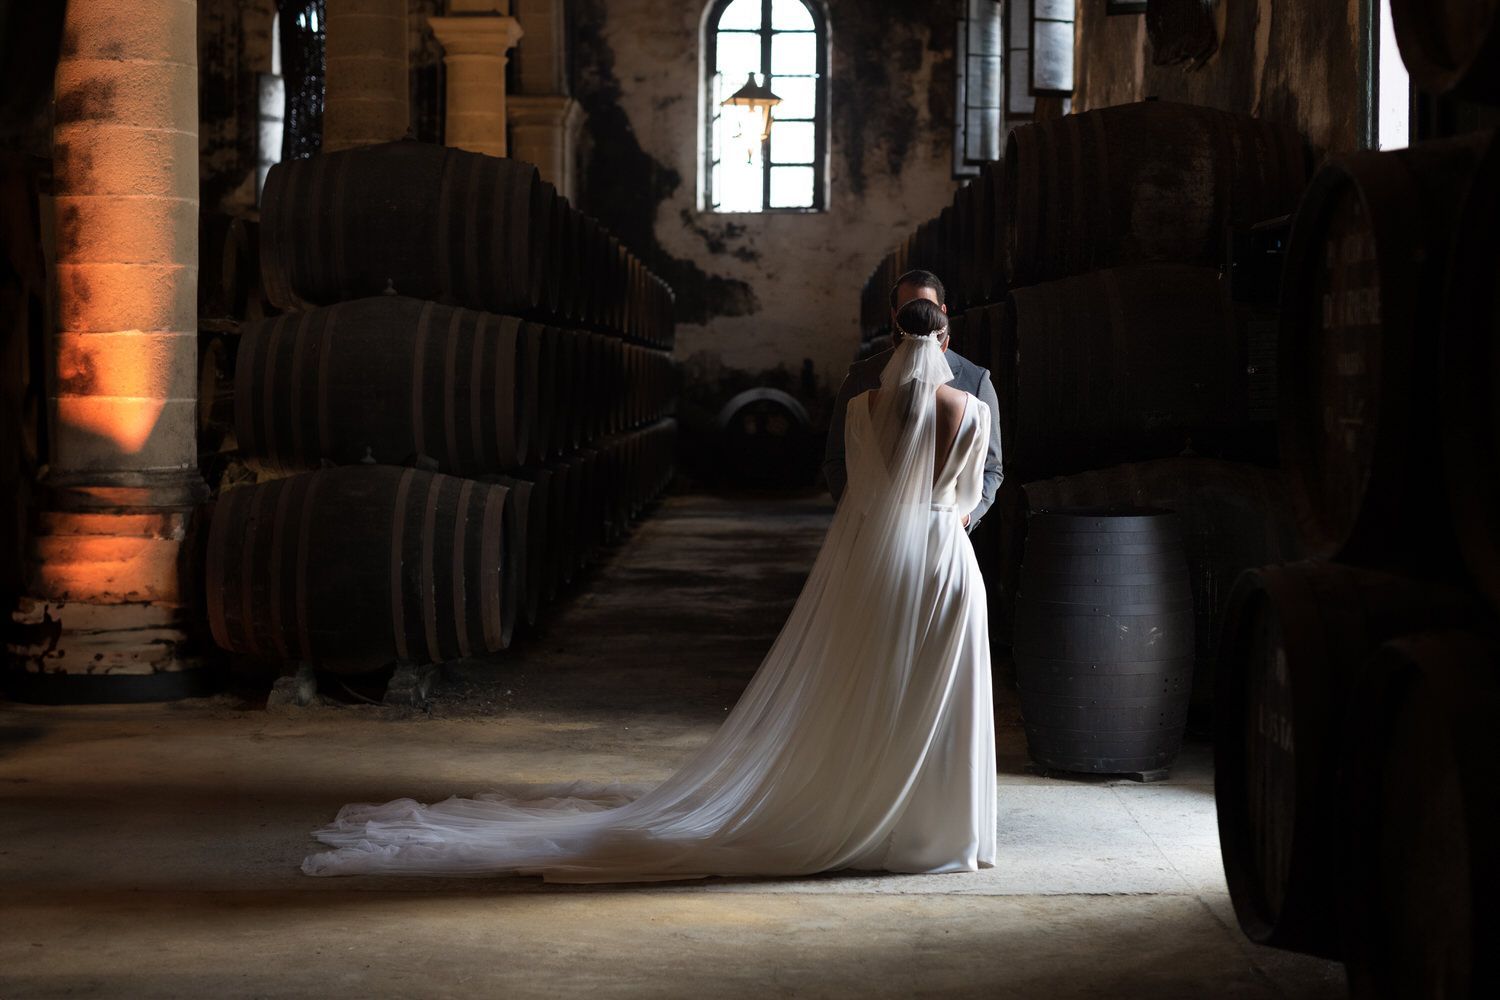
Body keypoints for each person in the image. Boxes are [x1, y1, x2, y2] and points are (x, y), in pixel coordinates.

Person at [301, 298, 996, 883]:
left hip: (877, 555)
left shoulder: (860, 408)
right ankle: (938, 834)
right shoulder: (971, 409)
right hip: (945, 558)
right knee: (941, 685)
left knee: (869, 682)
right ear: (946, 340)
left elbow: (860, 497)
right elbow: (966, 496)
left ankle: (868, 812)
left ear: (891, 341)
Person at [824, 270, 1003, 531]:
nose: (919, 318)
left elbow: (992, 467)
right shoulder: (862, 377)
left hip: (945, 534)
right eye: (909, 310)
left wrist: (965, 518)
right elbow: (836, 459)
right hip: (876, 533)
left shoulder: (976, 380)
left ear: (942, 312)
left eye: (926, 308)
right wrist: (864, 519)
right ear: (894, 316)